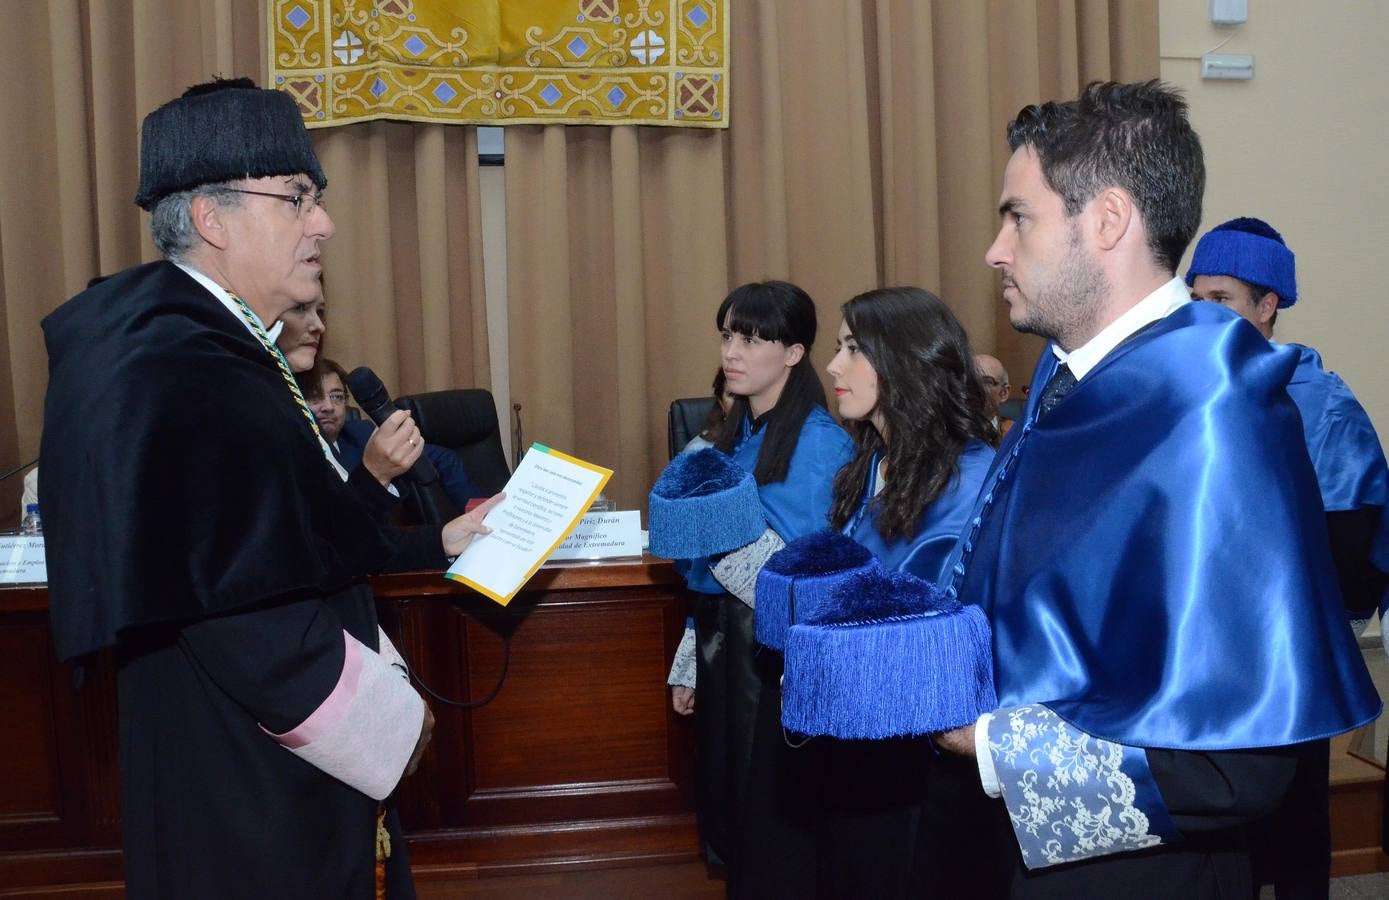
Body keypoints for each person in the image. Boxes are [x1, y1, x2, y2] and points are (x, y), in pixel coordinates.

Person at [38, 77, 499, 898]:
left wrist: (439, 541)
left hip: (254, 750)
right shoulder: (178, 369)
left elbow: (298, 544)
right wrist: (391, 719)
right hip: (249, 775)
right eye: (295, 199)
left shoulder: (220, 348)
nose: (323, 223)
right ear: (212, 219)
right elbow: (242, 614)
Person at [927, 80, 1379, 899]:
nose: (995, 249)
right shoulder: (1071, 382)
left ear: (1105, 221)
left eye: (1017, 216)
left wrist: (990, 746)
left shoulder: (1210, 410)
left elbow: (1231, 770)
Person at [1187, 216, 1389, 899]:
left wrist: (1294, 628)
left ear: (1266, 306)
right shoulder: (1182, 390)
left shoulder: (1321, 406)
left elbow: (1353, 546)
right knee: (1216, 831)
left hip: (1285, 652)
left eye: (1223, 300)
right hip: (1200, 651)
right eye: (1196, 299)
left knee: (1293, 823)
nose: (1204, 315)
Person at [664, 281, 852, 887]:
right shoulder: (733, 435)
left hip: (773, 654)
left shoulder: (818, 440)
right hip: (725, 643)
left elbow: (797, 573)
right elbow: (698, 571)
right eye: (727, 336)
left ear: (794, 353)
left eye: (751, 338)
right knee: (729, 808)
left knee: (769, 824)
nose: (732, 352)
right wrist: (692, 656)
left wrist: (705, 519)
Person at [812, 286, 995, 896]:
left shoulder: (971, 479)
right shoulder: (866, 465)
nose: (834, 366)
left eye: (853, 349)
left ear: (906, 360)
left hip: (931, 767)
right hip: (861, 748)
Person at [275, 296, 479, 510]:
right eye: (315, 397)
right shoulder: (293, 449)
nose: (328, 406)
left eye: (336, 396)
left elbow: (444, 458)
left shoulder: (362, 435)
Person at [974, 353, 1012, 442]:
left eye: (986, 381)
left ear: (1004, 393)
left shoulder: (1015, 434)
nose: (974, 386)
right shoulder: (945, 432)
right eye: (969, 379)